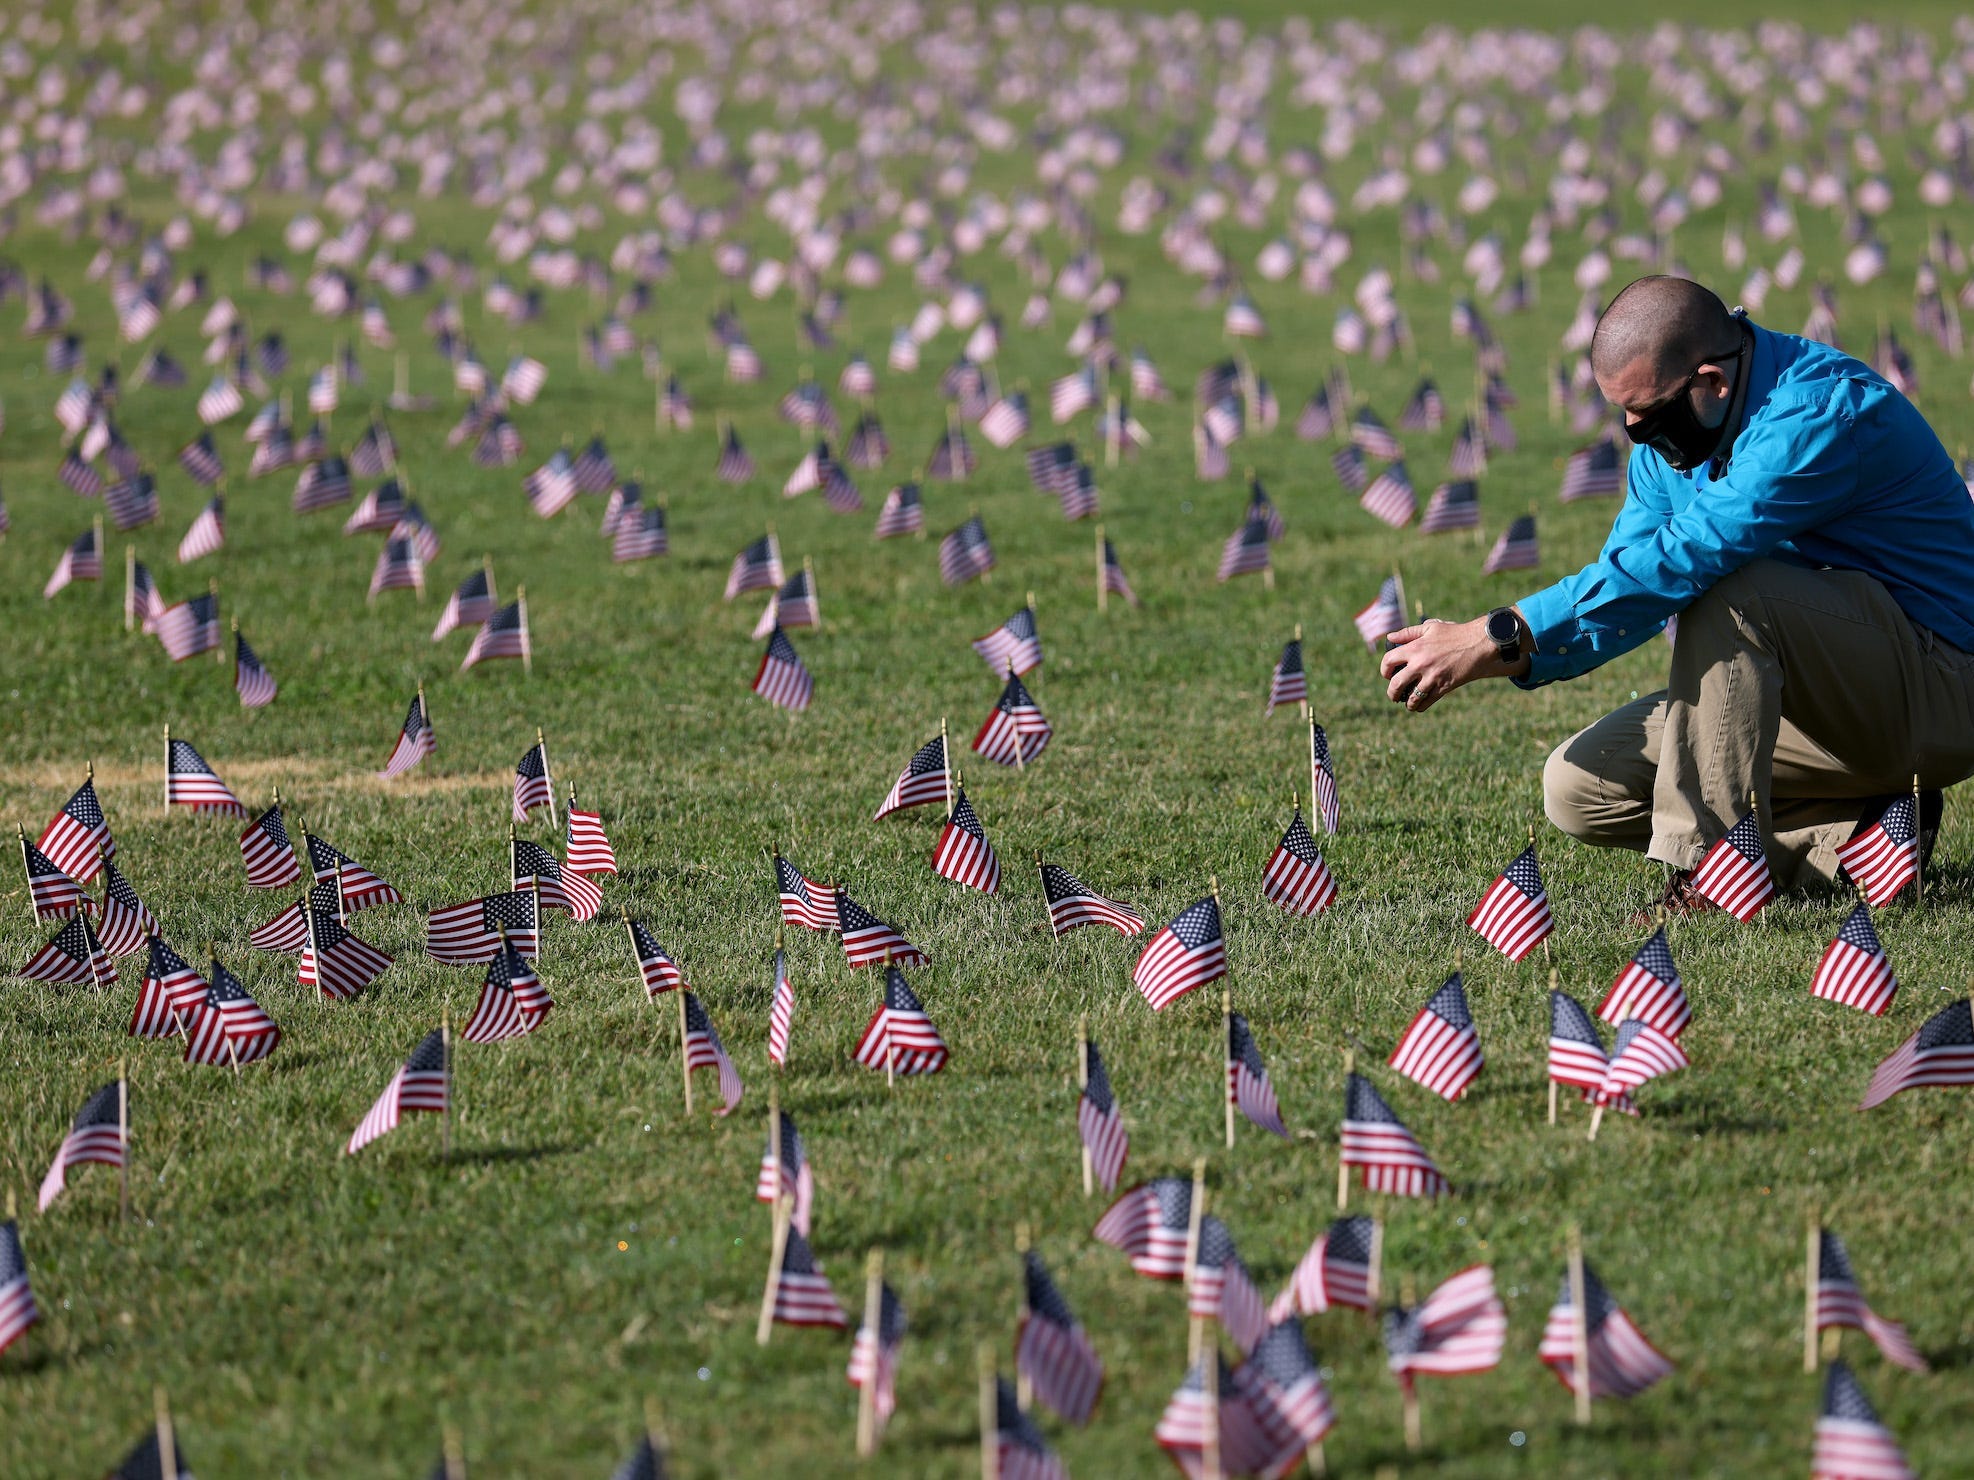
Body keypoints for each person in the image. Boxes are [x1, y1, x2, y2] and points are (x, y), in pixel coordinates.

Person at [1377, 275, 1974, 911]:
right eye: (1624, 415)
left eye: (1647, 413)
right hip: (1825, 702)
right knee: (1577, 787)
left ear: (1712, 383)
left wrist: (1503, 629)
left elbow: (1683, 559)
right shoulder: (1676, 439)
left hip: (1939, 688)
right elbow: (1627, 578)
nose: (1636, 432)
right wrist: (1515, 652)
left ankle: (1714, 874)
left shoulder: (1816, 415)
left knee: (1733, 590)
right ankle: (1861, 832)